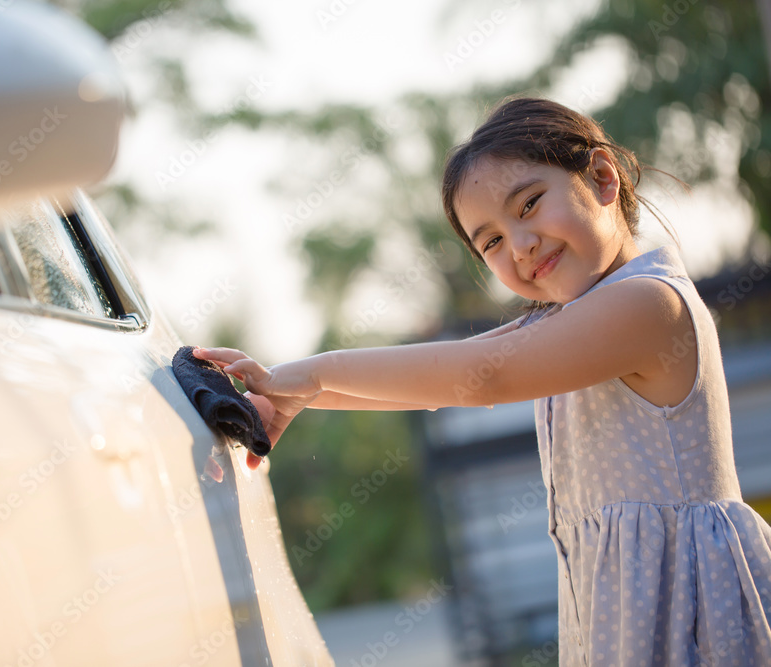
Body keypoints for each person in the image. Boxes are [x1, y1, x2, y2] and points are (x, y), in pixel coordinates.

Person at [193, 97, 771, 665]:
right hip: (624, 599)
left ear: (601, 176)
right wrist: (295, 392)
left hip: (689, 605)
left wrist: (312, 372)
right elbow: (444, 373)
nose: (520, 246)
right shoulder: (565, 318)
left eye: (529, 205)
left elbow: (477, 378)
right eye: (491, 241)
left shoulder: (648, 304)